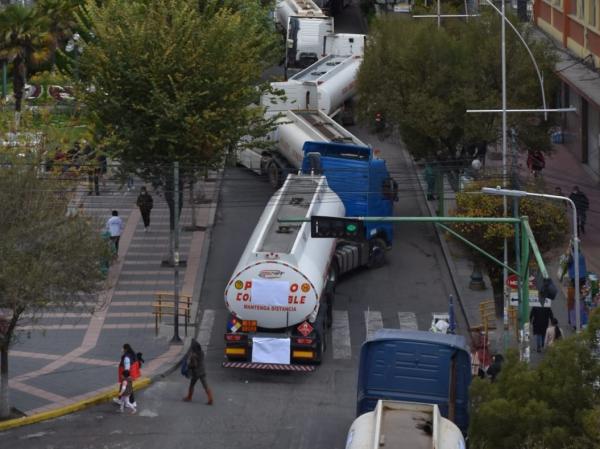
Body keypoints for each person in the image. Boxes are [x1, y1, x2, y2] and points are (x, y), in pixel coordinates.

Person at [182, 339, 213, 405]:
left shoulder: (194, 356)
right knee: (205, 386)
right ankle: (210, 399)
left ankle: (189, 397)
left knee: (191, 385)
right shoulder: (201, 352)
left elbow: (194, 365)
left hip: (196, 373)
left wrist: (188, 366)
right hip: (202, 371)